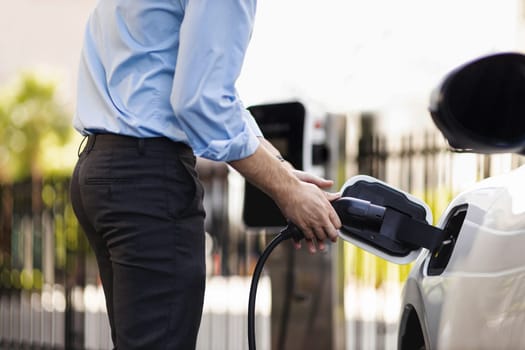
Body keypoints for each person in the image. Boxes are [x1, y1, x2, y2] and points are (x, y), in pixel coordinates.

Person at [69, 0, 342, 349]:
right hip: (148, 179)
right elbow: (201, 100)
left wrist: (282, 169)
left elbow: (196, 81)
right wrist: (285, 190)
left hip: (101, 168)